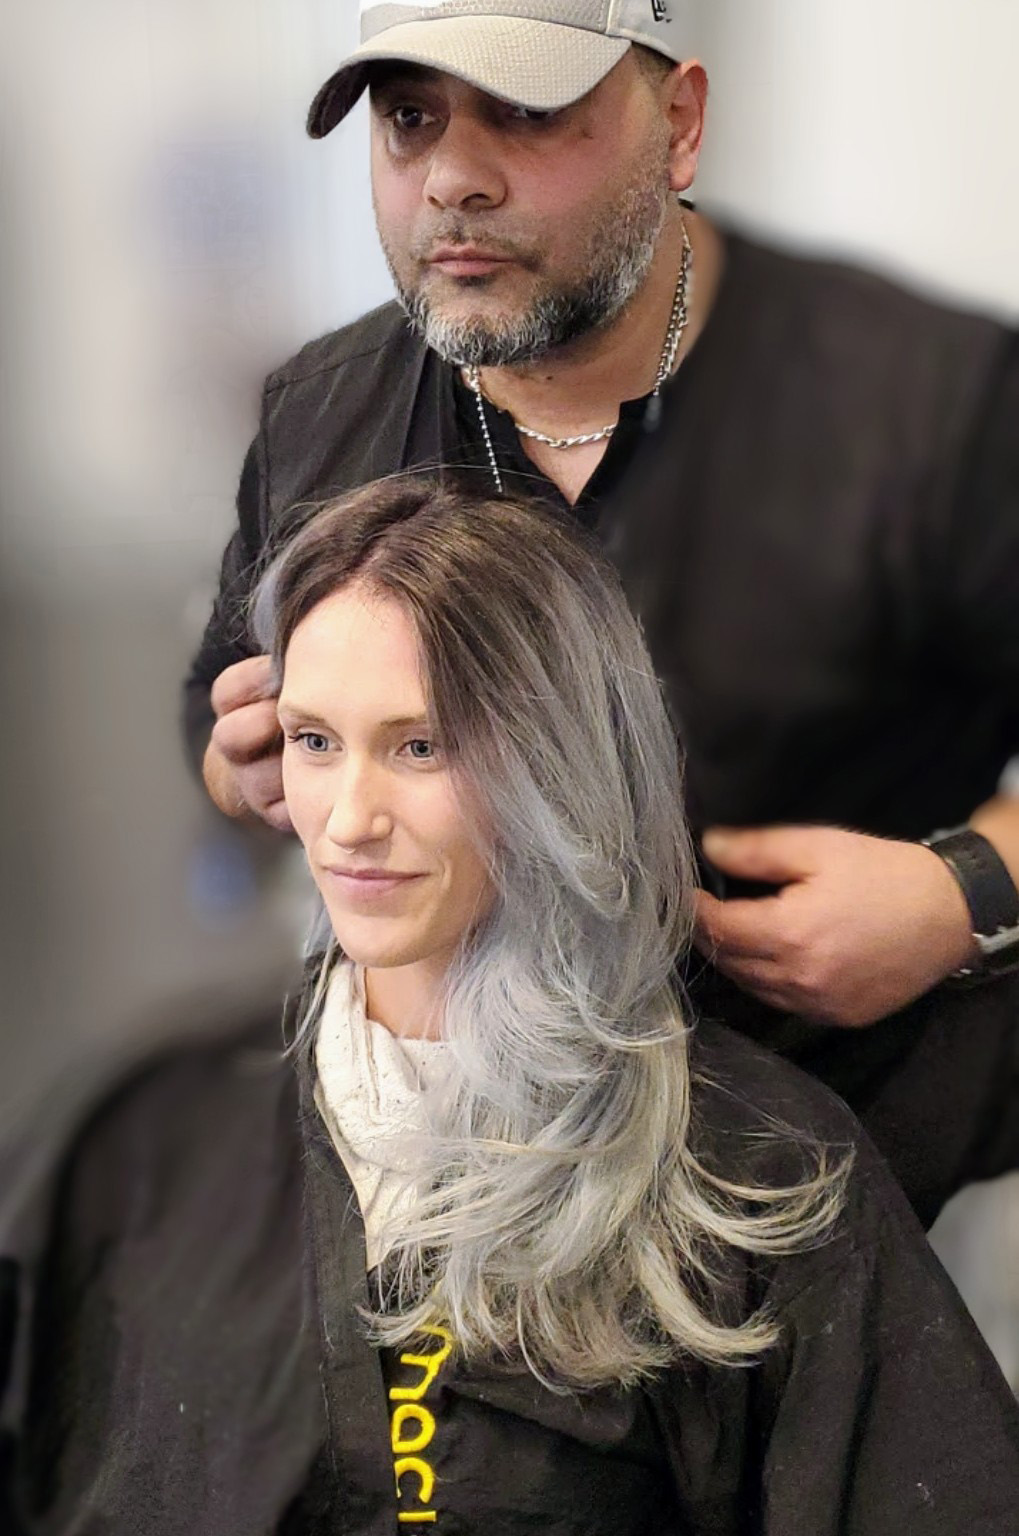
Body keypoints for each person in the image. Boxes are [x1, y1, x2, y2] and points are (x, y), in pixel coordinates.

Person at [9, 478, 1019, 1533]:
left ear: (555, 764)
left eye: (420, 747)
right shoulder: (158, 1141)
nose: (349, 820)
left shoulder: (750, 1168)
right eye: (315, 741)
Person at [184, 1, 1019, 1225]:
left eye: (527, 115)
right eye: (409, 120)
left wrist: (962, 894)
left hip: (834, 1199)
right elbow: (221, 757)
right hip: (452, 1206)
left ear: (676, 124)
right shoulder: (322, 424)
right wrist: (262, 771)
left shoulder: (921, 409)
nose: (455, 179)